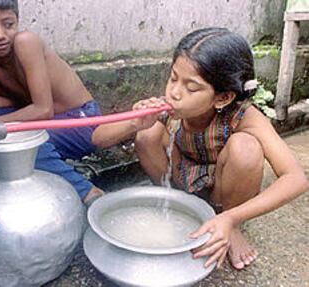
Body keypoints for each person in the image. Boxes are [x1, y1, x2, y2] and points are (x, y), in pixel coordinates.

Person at [92, 27, 308, 270]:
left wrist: (231, 217)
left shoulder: (245, 117)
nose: (174, 92)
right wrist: (134, 122)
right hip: (179, 181)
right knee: (147, 133)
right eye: (173, 78)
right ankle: (170, 200)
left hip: (221, 192)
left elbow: (296, 178)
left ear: (223, 98)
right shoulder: (167, 107)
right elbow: (98, 138)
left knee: (245, 147)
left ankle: (229, 225)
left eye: (191, 88)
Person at [0, 0, 104, 204]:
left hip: (78, 119)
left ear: (17, 21)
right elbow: (15, 100)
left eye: (8, 24)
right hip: (44, 120)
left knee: (15, 138)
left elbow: (44, 110)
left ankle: (87, 192)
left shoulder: (26, 42)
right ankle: (27, 176)